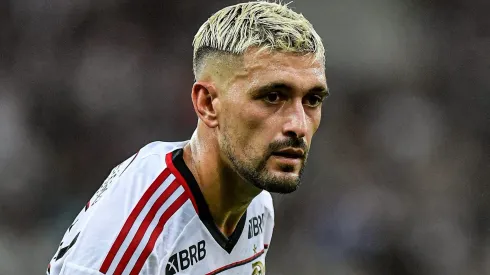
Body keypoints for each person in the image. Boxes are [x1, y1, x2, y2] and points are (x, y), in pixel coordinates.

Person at [47, 1, 328, 274]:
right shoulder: (138, 227)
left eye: (312, 100)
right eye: (272, 96)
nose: (299, 125)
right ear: (207, 104)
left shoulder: (257, 203)